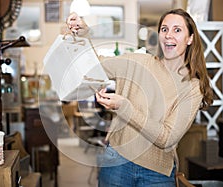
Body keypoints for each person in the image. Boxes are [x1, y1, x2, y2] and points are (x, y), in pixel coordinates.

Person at [66, 8, 213, 187]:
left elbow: (167, 138)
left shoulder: (192, 87)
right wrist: (83, 36)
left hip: (156, 173)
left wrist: (124, 107)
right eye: (164, 29)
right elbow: (96, 66)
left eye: (177, 30)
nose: (168, 35)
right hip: (116, 161)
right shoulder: (139, 62)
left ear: (190, 38)